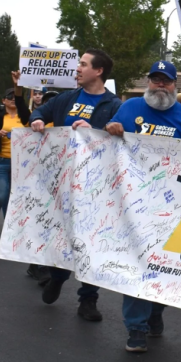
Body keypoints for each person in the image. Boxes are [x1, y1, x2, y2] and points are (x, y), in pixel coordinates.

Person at [104, 60, 181, 353]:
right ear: (148, 82)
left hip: (172, 206)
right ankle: (135, 326)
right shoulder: (129, 108)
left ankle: (156, 309)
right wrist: (109, 128)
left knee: (162, 266)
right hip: (132, 202)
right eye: (156, 79)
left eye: (167, 81)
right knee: (137, 263)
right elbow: (107, 140)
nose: (160, 85)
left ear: (176, 85)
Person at [33, 49, 122, 323]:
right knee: (63, 235)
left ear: (98, 71)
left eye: (83, 64)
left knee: (91, 242)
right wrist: (36, 119)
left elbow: (121, 134)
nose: (78, 68)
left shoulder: (114, 104)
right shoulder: (66, 98)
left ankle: (88, 299)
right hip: (62, 183)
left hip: (96, 186)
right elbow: (41, 111)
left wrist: (98, 128)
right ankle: (58, 277)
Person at [0, 72, 31, 238]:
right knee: (0, 196)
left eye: (14, 96)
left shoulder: (25, 116)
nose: (12, 99)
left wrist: (19, 88)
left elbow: (25, 110)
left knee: (12, 198)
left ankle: (9, 227)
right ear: (3, 100)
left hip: (19, 163)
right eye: (8, 96)